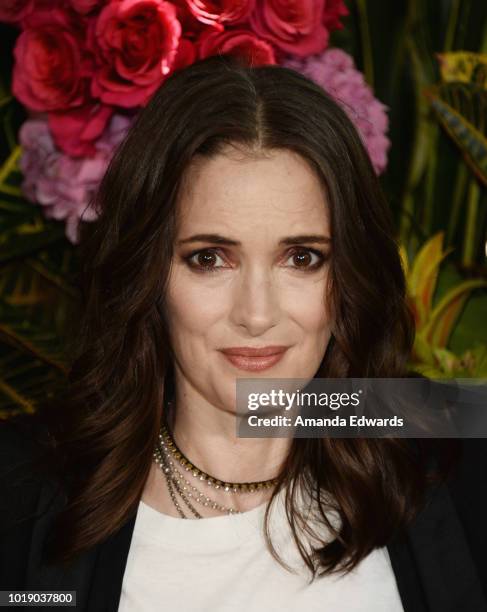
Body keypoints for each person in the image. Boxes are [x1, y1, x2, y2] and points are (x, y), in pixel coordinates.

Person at [0, 54, 486, 612]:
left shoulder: (453, 452)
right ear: (148, 273)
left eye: (301, 258)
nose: (256, 315)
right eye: (209, 259)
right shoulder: (19, 492)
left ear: (350, 274)